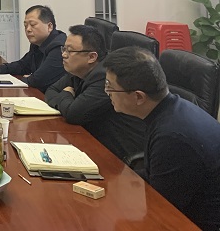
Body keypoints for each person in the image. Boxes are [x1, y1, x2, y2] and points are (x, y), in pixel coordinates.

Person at [103, 47, 220, 231]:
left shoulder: (172, 138)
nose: (107, 92)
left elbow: (162, 213)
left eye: (110, 87)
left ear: (138, 97)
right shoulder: (172, 109)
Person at [44, 25, 144, 160]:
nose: (64, 54)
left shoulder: (105, 77)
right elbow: (51, 90)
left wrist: (65, 94)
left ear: (91, 57)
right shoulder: (78, 70)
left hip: (117, 155)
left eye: (70, 51)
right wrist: (67, 99)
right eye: (64, 49)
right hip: (92, 140)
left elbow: (74, 114)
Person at [0, 5, 66, 90]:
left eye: (33, 25)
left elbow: (38, 80)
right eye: (25, 26)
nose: (28, 29)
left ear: (49, 26)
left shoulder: (59, 48)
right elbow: (22, 65)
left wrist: (26, 79)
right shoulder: (37, 44)